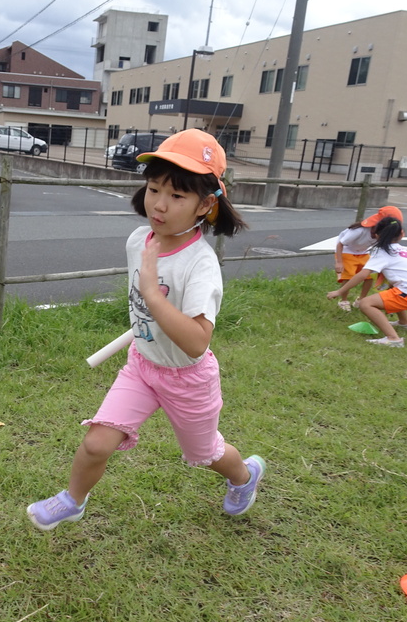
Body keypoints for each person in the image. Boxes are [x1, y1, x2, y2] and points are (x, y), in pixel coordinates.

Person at [26, 129, 265, 531]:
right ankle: (73, 499)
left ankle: (243, 476)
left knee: (205, 454)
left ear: (206, 204)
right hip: (142, 365)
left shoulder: (201, 266)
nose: (159, 204)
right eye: (154, 188)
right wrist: (148, 311)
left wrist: (154, 297)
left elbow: (195, 343)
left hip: (188, 379)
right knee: (96, 441)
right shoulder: (140, 239)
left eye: (177, 196)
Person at [326, 216, 407, 347]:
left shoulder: (382, 252)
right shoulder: (403, 250)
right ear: (401, 234)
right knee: (392, 291)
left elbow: (363, 275)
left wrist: (339, 291)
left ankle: (393, 339)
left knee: (366, 304)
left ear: (376, 235)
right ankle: (405, 323)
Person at [331, 205, 403, 311]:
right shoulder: (359, 230)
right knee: (348, 276)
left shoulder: (381, 234)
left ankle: (361, 299)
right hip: (346, 252)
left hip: (363, 253)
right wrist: (339, 262)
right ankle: (344, 300)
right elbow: (340, 244)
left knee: (370, 277)